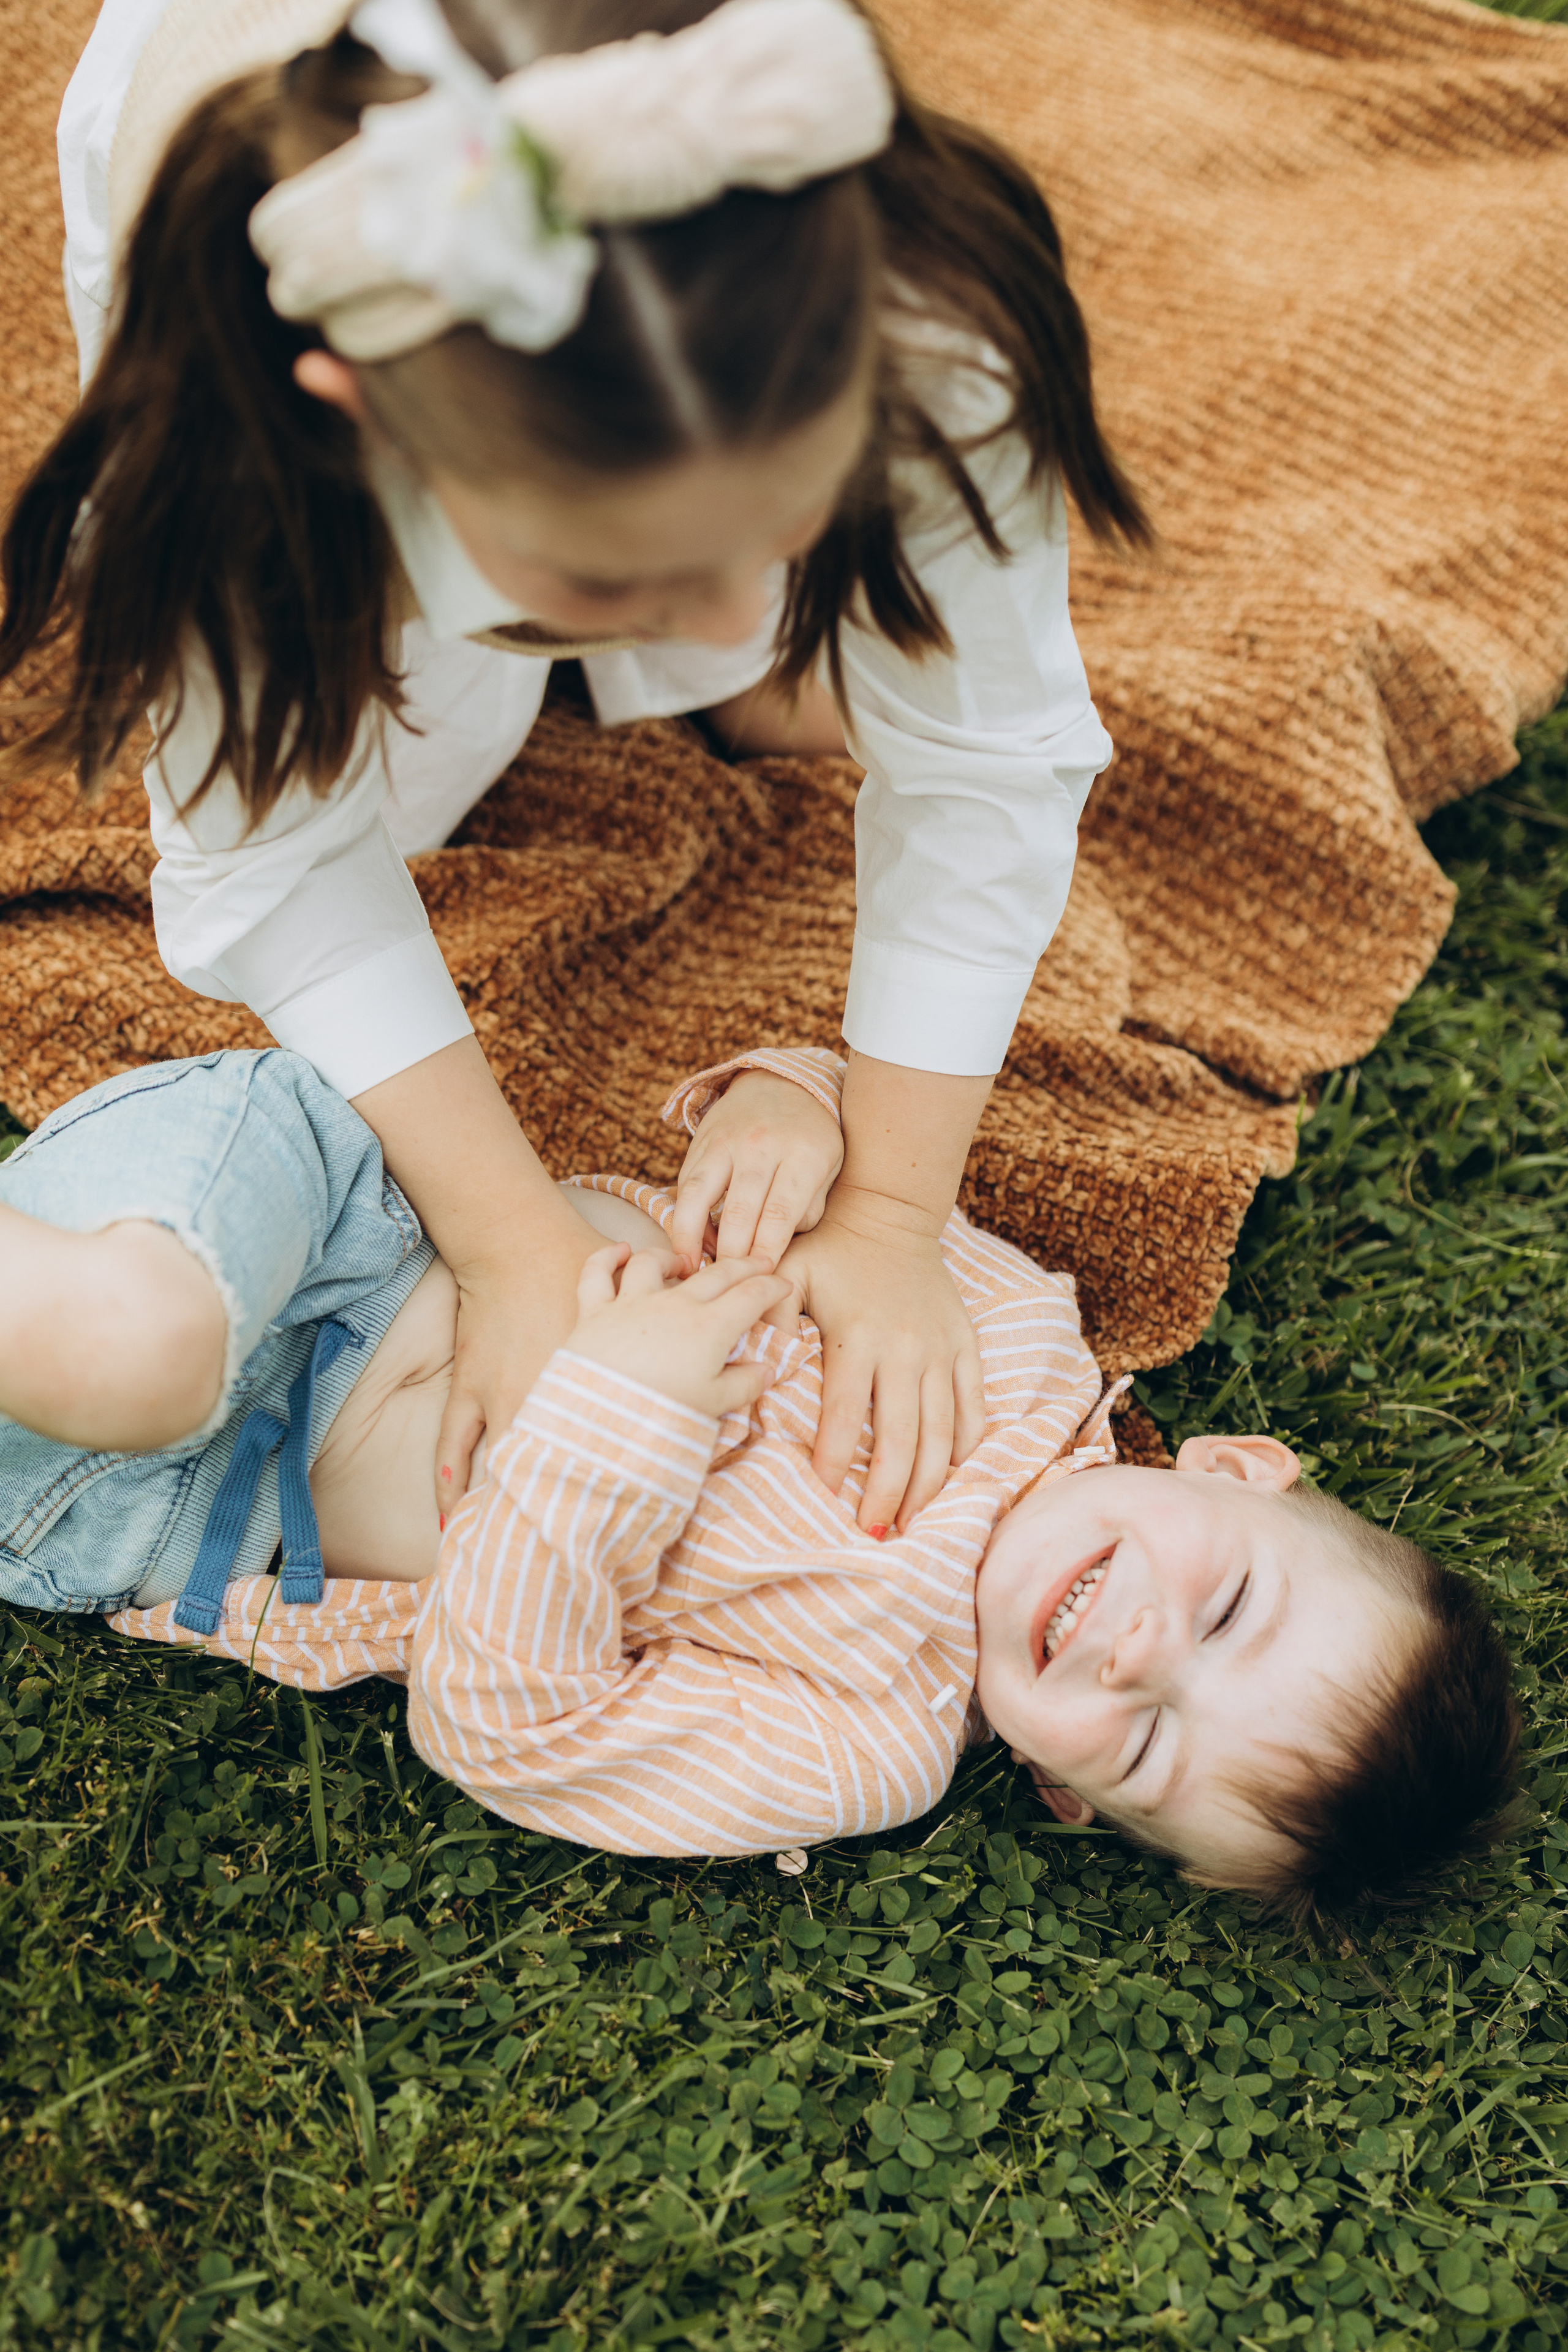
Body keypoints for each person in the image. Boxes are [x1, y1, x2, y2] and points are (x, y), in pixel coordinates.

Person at [0, 0, 1148, 1547]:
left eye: (780, 536)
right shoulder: (226, 443)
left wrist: (889, 1214)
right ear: (362, 433)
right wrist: (512, 1245)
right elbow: (286, 871)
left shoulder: (908, 305)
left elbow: (988, 761)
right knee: (388, 772)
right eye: (626, 580)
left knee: (838, 635)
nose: (739, 620)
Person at [0, 1044, 1518, 1916]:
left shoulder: (860, 1746)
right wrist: (780, 1105)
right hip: (347, 1209)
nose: (1133, 1656)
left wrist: (615, 1425)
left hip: (178, 1500)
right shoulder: (1019, 1331)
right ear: (1236, 1469)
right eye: (1227, 1613)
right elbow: (853, 1150)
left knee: (137, 1365)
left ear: (1060, 1793)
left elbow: (507, 1731)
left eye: (1141, 1745)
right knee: (138, 1329)